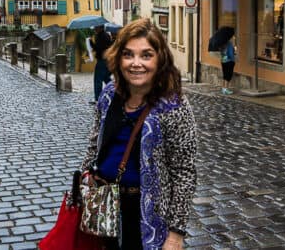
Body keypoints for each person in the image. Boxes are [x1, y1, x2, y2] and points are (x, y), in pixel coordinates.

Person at [80, 18, 197, 250]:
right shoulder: (109, 95)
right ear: (118, 57)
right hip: (105, 204)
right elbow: (95, 145)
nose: (136, 63)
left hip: (147, 214)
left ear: (160, 58)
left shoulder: (173, 105)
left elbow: (184, 173)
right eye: (128, 54)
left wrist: (176, 234)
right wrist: (85, 183)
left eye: (146, 55)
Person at [91, 24, 114, 103]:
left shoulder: (101, 36)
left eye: (95, 27)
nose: (94, 29)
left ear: (99, 27)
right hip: (107, 60)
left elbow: (99, 48)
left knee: (98, 79)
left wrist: (91, 43)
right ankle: (115, 92)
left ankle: (98, 99)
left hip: (102, 60)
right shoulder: (106, 35)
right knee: (106, 78)